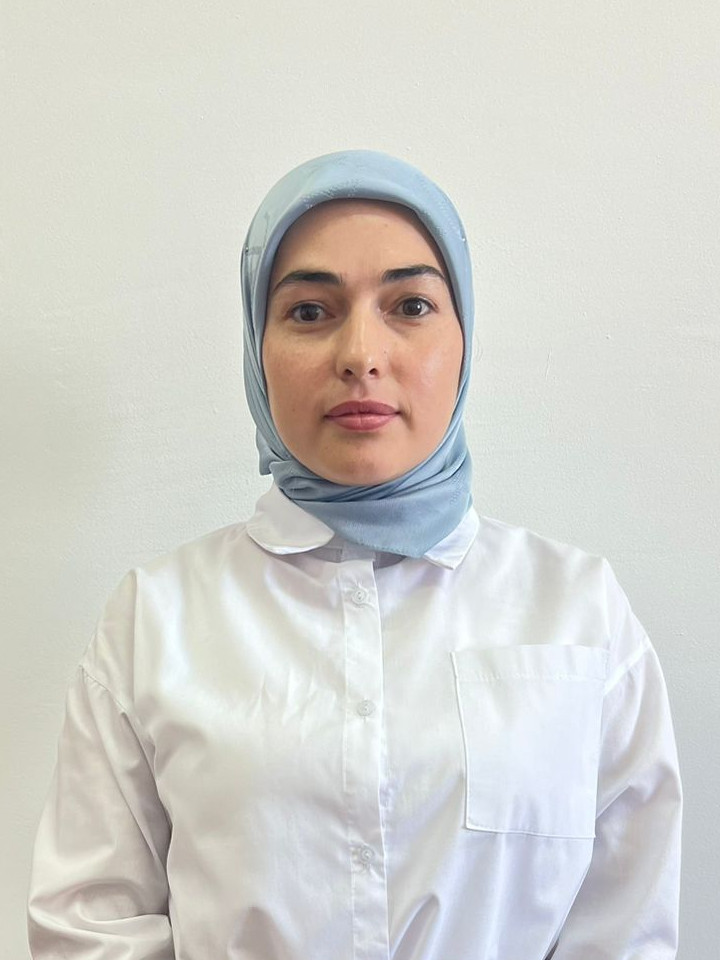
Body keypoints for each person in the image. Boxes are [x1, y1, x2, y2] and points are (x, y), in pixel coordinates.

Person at [28, 150, 682, 959]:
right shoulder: (156, 619)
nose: (360, 353)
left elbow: (627, 926)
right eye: (310, 311)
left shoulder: (579, 611)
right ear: (256, 348)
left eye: (410, 305)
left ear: (464, 340)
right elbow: (88, 926)